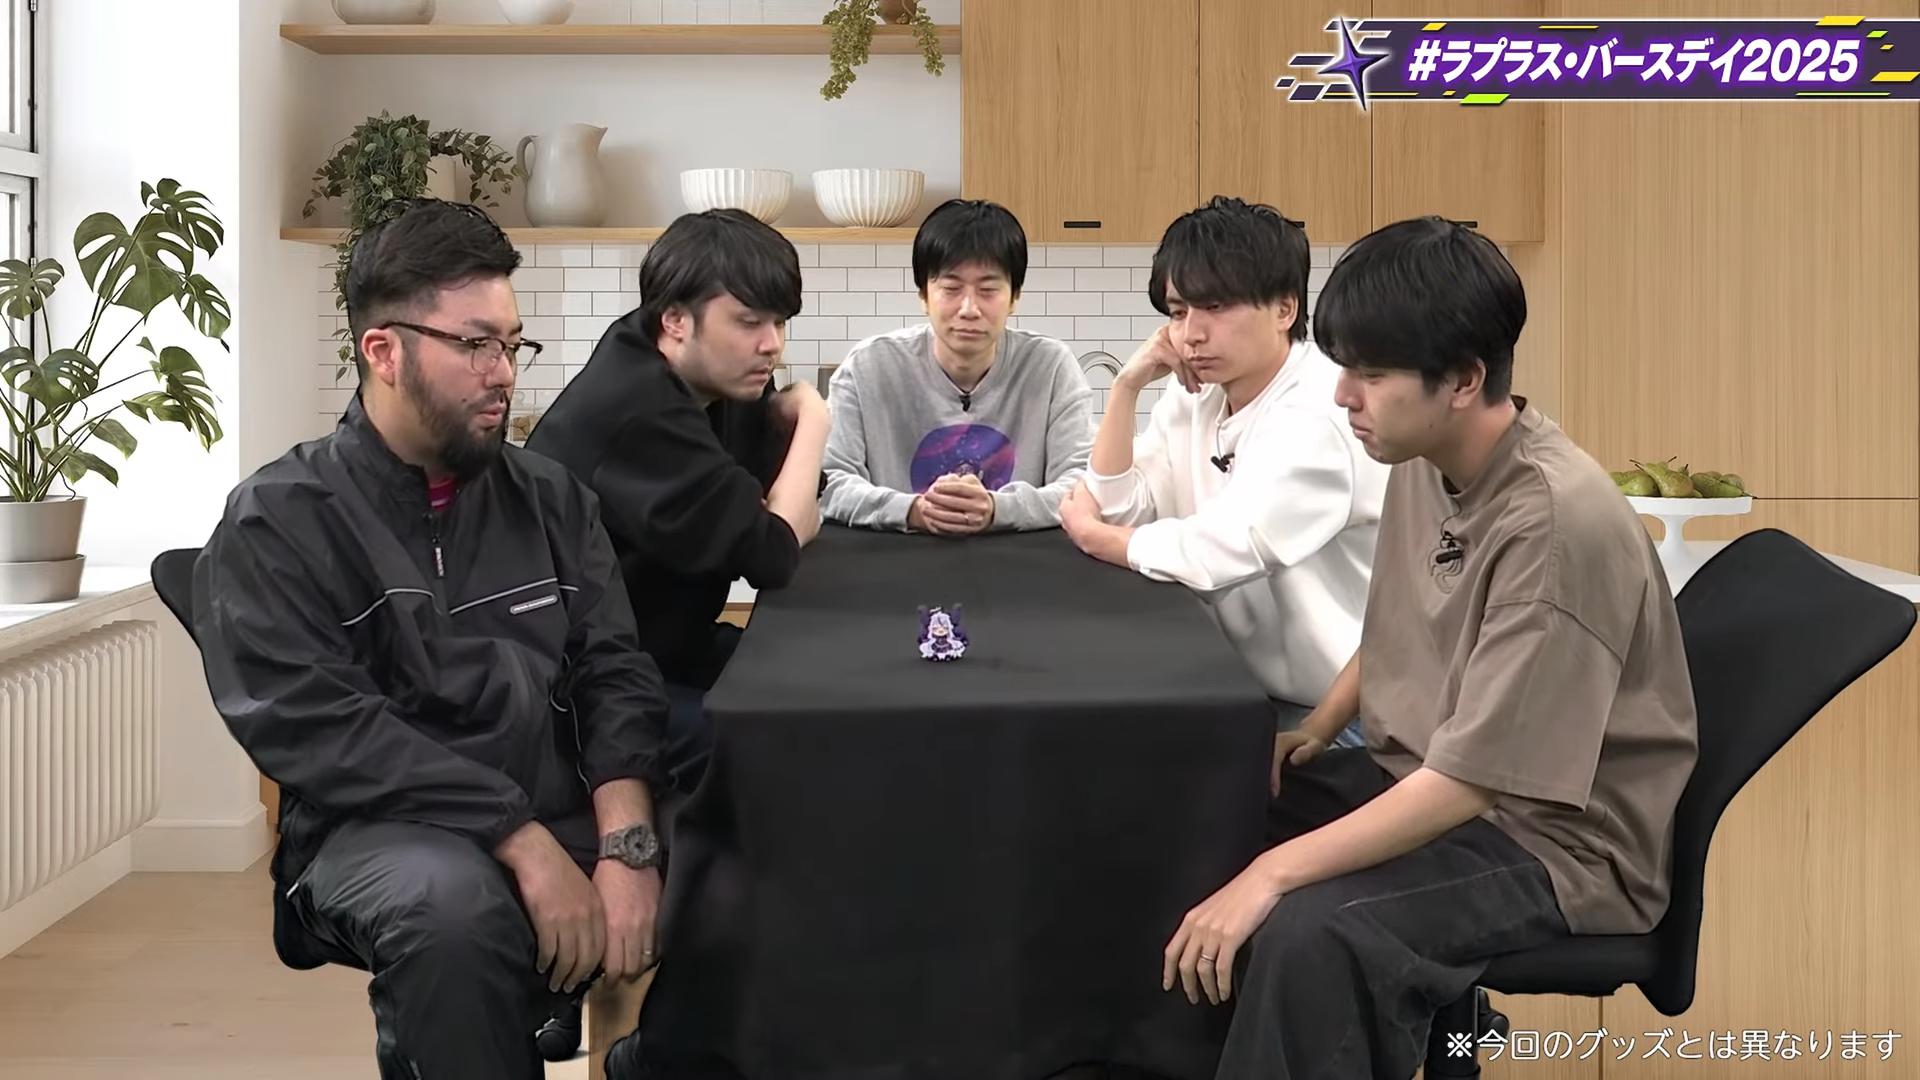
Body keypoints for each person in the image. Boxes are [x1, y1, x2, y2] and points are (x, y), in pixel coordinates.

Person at [1160, 216, 1699, 1080]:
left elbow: (1476, 780)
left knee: (1311, 930)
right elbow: (1400, 620)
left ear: (1464, 380)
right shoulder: (1423, 454)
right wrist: (1317, 726)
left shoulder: (1554, 527)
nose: (1345, 397)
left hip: (1552, 845)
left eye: (1371, 376)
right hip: (1425, 774)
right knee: (1195, 815)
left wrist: (1271, 874)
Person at [192, 199, 673, 1080]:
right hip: (376, 826)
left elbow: (614, 674)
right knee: (452, 911)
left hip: (554, 800)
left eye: (513, 344)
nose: (504, 372)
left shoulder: (552, 499)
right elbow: (324, 729)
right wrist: (518, 836)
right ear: (384, 351)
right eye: (476, 345)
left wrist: (625, 846)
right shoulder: (277, 521)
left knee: (740, 858)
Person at [1058, 196, 1389, 747]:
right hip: (1243, 684)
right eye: (1178, 312)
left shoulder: (1319, 410)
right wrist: (1126, 386)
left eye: (1214, 307)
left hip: (1336, 715)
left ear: (1284, 310)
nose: (1191, 334)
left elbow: (1219, 551)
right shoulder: (1198, 394)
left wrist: (1096, 537)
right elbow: (1124, 506)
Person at [527, 208, 827, 789]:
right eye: (749, 322)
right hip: (586, 690)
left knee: (822, 684)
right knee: (787, 740)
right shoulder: (638, 408)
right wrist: (813, 417)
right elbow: (773, 552)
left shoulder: (719, 372)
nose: (772, 345)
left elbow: (794, 498)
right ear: (675, 320)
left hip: (667, 647)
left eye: (779, 322)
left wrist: (782, 504)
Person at [820, 197, 1093, 534]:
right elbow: (827, 482)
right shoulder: (869, 368)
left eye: (988, 290)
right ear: (923, 295)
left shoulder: (1050, 367)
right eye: (950, 288)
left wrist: (997, 508)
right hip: (893, 556)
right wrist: (913, 511)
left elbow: (1083, 484)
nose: (968, 309)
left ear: (1014, 297)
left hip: (1021, 559)